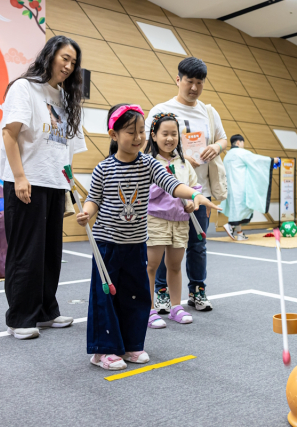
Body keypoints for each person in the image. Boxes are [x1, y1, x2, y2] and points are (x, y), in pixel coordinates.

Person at [76, 104, 221, 370]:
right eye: (131, 132)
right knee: (105, 296)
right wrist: (86, 213)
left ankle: (131, 345)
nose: (139, 137)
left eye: (141, 131)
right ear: (114, 135)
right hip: (107, 244)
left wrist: (195, 195)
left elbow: (171, 184)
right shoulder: (103, 168)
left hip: (135, 243)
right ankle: (102, 351)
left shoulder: (149, 164)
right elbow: (93, 199)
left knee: (136, 294)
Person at [0, 35, 87, 340]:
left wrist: (70, 183)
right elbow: (9, 135)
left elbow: (66, 150)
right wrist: (20, 177)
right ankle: (21, 317)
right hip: (27, 182)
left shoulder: (65, 99)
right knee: (27, 252)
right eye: (64, 58)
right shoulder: (25, 88)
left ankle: (46, 311)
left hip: (54, 183)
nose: (68, 65)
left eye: (73, 62)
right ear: (49, 55)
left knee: (50, 252)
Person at [145, 57, 228, 313]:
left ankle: (197, 291)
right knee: (162, 246)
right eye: (189, 81)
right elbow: (149, 148)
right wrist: (180, 159)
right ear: (178, 79)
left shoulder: (208, 112)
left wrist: (215, 147)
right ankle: (161, 293)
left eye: (199, 83)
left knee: (197, 243)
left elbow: (223, 139)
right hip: (165, 194)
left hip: (198, 190)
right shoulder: (161, 110)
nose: (193, 87)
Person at [145, 112, 198, 329]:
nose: (169, 138)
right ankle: (148, 310)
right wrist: (167, 184)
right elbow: (143, 192)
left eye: (173, 134)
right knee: (151, 266)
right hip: (156, 220)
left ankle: (176, 307)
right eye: (164, 133)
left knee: (175, 266)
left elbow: (195, 188)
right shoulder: (147, 161)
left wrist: (193, 201)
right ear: (154, 136)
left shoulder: (184, 163)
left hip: (180, 221)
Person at [221, 135, 273, 241]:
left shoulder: (227, 156)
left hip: (230, 188)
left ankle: (240, 234)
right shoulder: (241, 153)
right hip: (240, 187)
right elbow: (257, 160)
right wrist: (273, 160)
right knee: (246, 208)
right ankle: (230, 225)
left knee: (236, 211)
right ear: (239, 142)